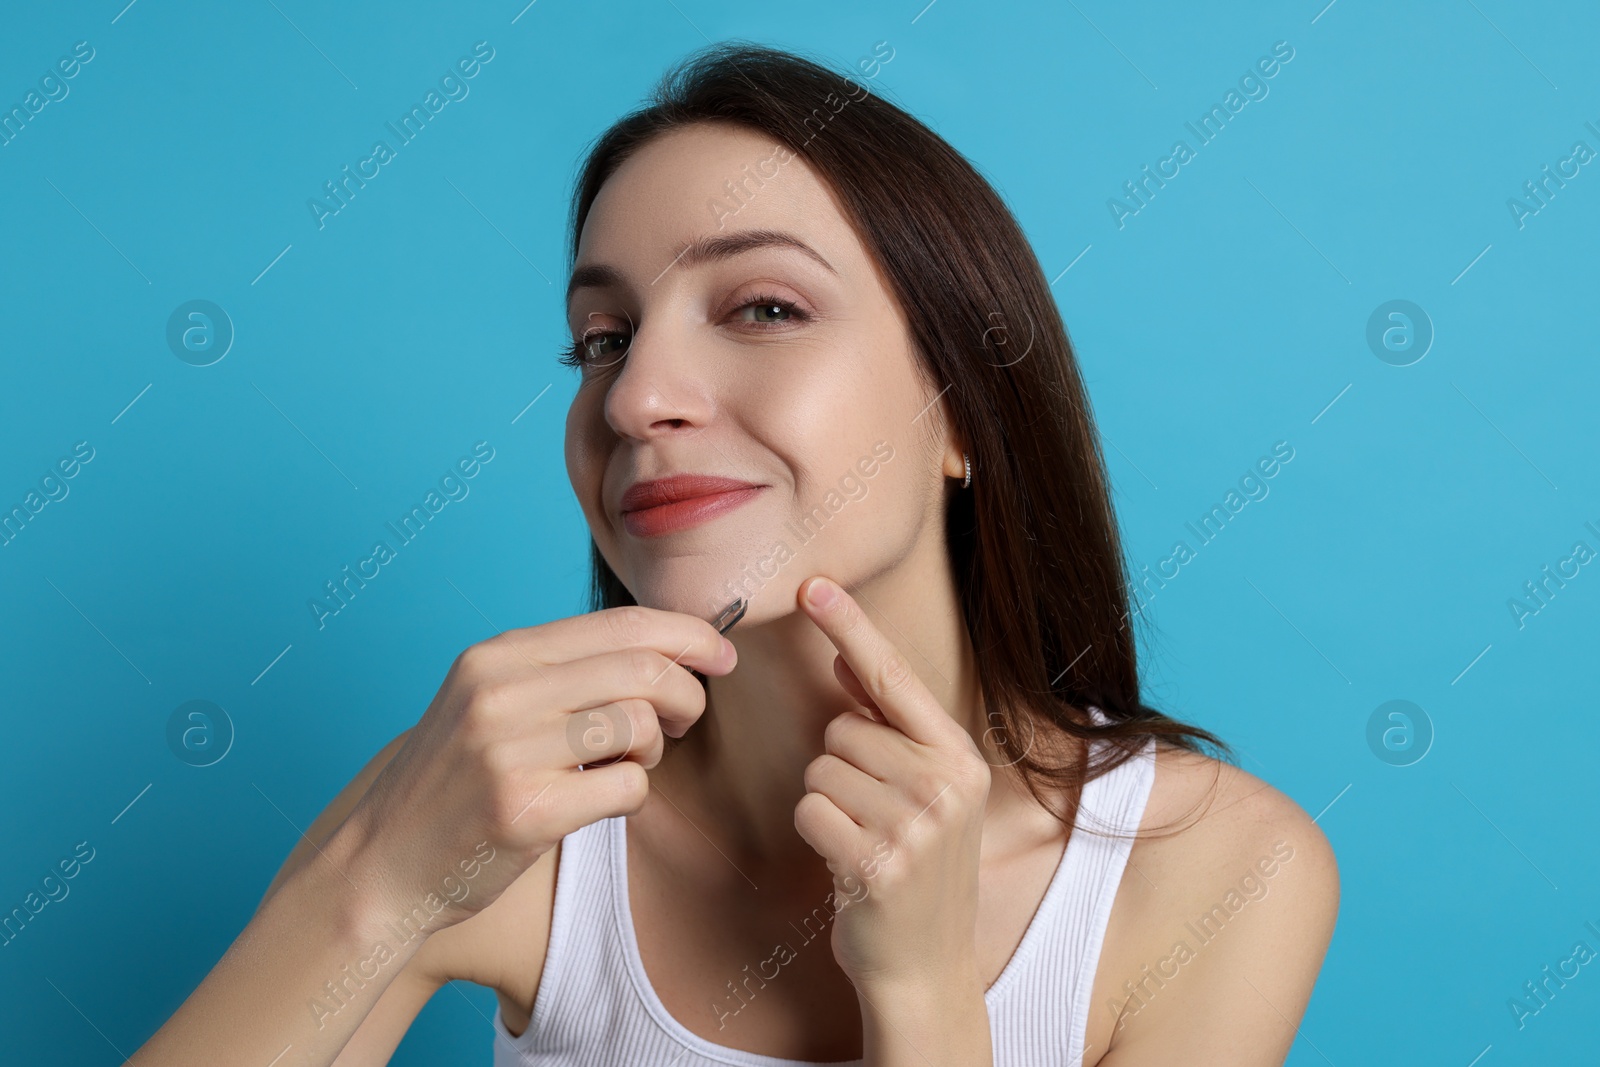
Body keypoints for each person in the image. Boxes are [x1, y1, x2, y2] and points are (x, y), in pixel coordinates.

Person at [132, 41, 1338, 1067]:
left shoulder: (1219, 868)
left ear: (964, 410)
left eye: (763, 307)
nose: (636, 397)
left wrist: (920, 997)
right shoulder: (494, 804)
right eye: (601, 339)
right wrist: (378, 882)